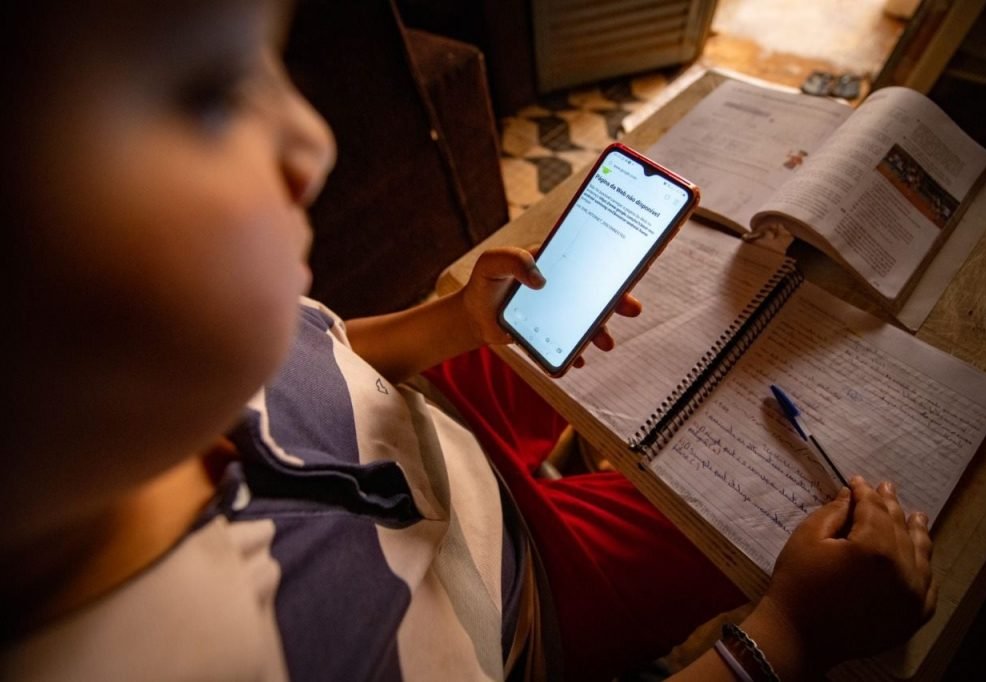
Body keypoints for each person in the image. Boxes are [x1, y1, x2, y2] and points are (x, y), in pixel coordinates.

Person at [0, 1, 936, 680]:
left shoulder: (167, 366)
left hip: (429, 424)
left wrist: (453, 325)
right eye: (209, 94)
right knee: (752, 525)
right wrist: (791, 634)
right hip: (525, 591)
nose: (312, 139)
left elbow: (326, 352)